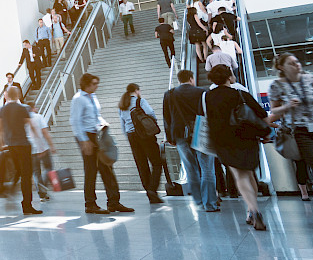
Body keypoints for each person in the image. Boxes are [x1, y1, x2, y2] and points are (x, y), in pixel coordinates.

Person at [268, 53, 313, 224]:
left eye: (297, 62)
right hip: (302, 131)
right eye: (291, 63)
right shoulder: (277, 85)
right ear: (281, 67)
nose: (297, 65)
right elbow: (274, 112)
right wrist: (288, 106)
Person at [205, 64, 272, 230]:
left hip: (223, 141)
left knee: (239, 175)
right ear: (229, 77)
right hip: (246, 138)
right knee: (249, 174)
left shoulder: (207, 97)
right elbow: (261, 113)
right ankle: (252, 209)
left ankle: (253, 209)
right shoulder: (240, 94)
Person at [70, 73, 132, 214]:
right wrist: (84, 141)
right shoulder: (78, 99)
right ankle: (90, 204)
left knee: (107, 167)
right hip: (86, 136)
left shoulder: (93, 96)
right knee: (91, 169)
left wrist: (103, 123)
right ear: (86, 84)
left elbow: (95, 115)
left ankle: (114, 202)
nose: (97, 86)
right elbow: (75, 121)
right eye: (94, 83)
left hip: (98, 133)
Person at [163, 70, 217, 211]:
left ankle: (198, 200)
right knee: (207, 168)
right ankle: (210, 203)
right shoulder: (202, 92)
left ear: (179, 80)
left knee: (190, 168)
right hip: (201, 132)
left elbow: (167, 118)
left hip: (180, 134)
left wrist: (170, 137)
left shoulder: (169, 94)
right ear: (191, 79)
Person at [0, 87, 41, 214]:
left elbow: (0, 129)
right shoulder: (22, 108)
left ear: (7, 96)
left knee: (18, 171)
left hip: (11, 146)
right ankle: (27, 205)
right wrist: (39, 142)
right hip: (23, 145)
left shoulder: (2, 110)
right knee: (26, 175)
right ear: (18, 95)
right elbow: (30, 125)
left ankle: (9, 189)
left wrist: (1, 144)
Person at [117, 84, 163, 203]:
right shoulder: (140, 101)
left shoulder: (122, 105)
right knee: (157, 163)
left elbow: (122, 124)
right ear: (136, 91)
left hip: (131, 136)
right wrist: (152, 125)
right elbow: (151, 113)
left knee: (142, 165)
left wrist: (128, 137)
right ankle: (152, 189)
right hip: (145, 135)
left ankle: (149, 191)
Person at [27, 102, 55, 203]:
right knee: (49, 168)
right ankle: (43, 186)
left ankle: (42, 194)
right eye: (35, 107)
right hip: (42, 147)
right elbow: (45, 132)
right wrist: (51, 145)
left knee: (36, 172)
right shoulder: (38, 117)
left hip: (31, 149)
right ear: (33, 108)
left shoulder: (25, 120)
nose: (37, 108)